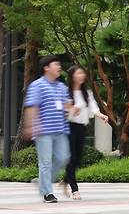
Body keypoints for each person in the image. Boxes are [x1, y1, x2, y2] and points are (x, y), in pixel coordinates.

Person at [23, 55, 73, 203]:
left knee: (64, 158)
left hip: (60, 129)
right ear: (46, 68)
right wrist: (31, 125)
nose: (59, 67)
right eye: (56, 64)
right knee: (45, 162)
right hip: (43, 131)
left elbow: (66, 106)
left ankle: (42, 183)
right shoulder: (37, 85)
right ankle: (48, 193)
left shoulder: (61, 87)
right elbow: (32, 107)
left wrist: (72, 108)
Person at [61, 66, 109, 200]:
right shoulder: (65, 92)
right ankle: (74, 189)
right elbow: (62, 110)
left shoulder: (86, 93)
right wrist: (71, 111)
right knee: (71, 158)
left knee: (78, 158)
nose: (81, 75)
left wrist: (102, 115)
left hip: (81, 127)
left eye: (82, 73)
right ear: (71, 76)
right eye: (78, 73)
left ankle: (66, 180)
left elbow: (93, 107)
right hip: (68, 127)